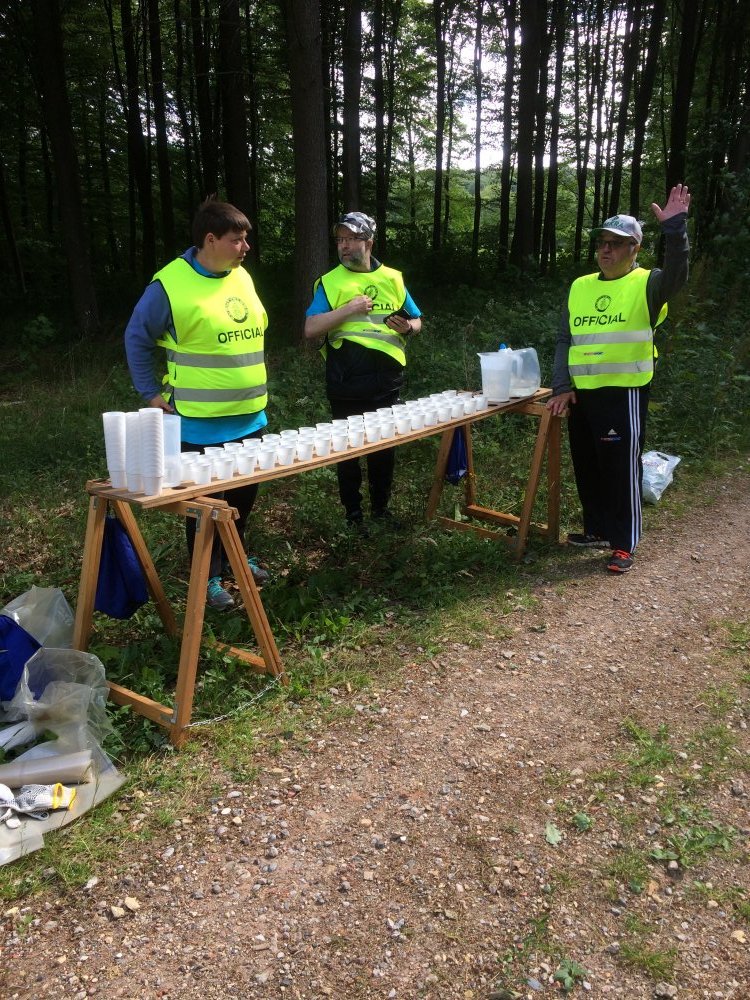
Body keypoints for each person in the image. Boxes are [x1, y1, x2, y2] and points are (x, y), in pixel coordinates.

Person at [125, 198, 270, 610]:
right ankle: (207, 576)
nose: (245, 248)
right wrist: (150, 393)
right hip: (199, 422)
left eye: (245, 239)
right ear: (210, 240)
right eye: (237, 240)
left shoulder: (240, 276)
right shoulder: (169, 285)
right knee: (205, 507)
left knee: (242, 499)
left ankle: (237, 557)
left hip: (250, 416)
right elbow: (136, 337)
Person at [547, 184, 691, 574]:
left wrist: (675, 229)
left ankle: (624, 543)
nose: (606, 249)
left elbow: (678, 276)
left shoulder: (648, 283)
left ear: (634, 249)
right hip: (583, 395)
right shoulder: (580, 286)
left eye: (615, 243)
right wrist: (562, 386)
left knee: (620, 468)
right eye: (602, 243)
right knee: (588, 464)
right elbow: (565, 339)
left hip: (623, 392)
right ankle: (596, 529)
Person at [303, 211, 423, 530]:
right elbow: (310, 328)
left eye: (351, 239)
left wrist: (409, 327)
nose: (343, 246)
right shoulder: (330, 282)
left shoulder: (393, 278)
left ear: (368, 242)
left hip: (387, 381)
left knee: (384, 449)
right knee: (348, 452)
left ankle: (381, 510)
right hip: (346, 382)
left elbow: (417, 320)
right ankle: (353, 516)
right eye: (340, 239)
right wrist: (348, 309)